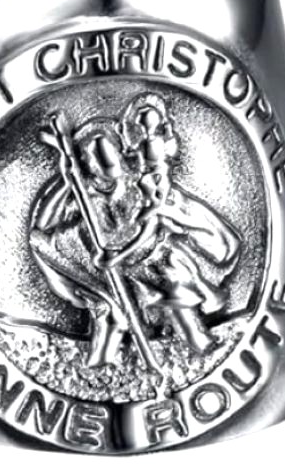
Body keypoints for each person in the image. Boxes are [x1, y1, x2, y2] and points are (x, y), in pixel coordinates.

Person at [30, 95, 242, 366]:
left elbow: (150, 227)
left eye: (109, 157)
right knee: (110, 313)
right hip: (114, 269)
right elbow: (47, 228)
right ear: (87, 166)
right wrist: (67, 177)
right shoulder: (86, 198)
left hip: (151, 258)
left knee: (177, 292)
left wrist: (117, 257)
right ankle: (100, 363)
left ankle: (199, 343)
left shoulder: (136, 187)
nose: (106, 166)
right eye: (95, 160)